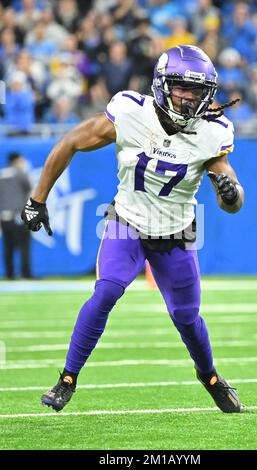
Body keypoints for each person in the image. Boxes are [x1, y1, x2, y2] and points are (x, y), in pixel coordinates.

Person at [21, 45, 244, 413]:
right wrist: (37, 199)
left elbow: (232, 202)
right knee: (106, 291)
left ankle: (211, 378)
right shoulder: (130, 112)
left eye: (197, 91)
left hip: (175, 235)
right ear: (161, 85)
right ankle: (67, 379)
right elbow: (71, 142)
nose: (189, 98)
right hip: (126, 224)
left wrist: (230, 192)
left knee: (187, 317)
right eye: (181, 88)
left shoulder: (212, 132)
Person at [0, 152, 32, 279]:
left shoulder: (1, 174)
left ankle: (9, 274)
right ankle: (26, 274)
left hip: (4, 216)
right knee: (24, 246)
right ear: (17, 160)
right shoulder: (21, 174)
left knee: (8, 247)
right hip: (18, 215)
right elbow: (29, 191)